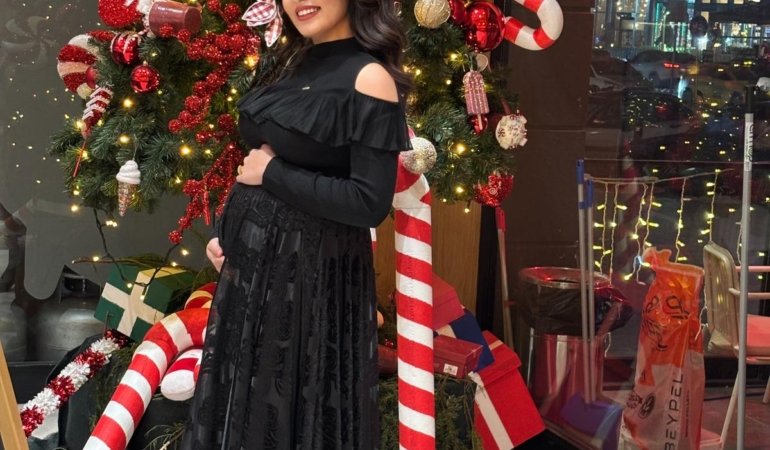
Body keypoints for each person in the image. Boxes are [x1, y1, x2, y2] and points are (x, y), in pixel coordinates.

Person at [182, 0, 411, 447]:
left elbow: (368, 203)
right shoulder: (288, 61)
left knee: (283, 419)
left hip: (311, 288)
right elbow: (258, 161)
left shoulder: (370, 78)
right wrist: (226, 233)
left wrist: (272, 173)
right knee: (244, 414)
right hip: (254, 280)